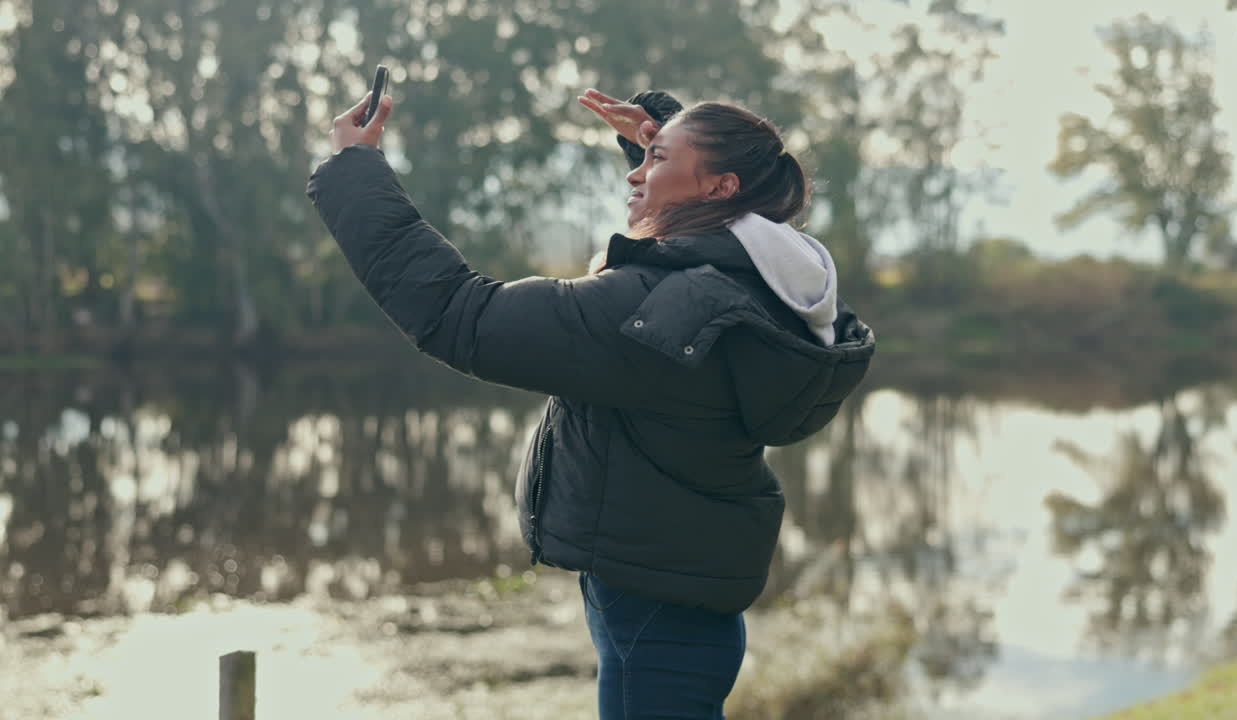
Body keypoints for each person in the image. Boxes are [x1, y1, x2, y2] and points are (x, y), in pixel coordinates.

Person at [308, 84, 874, 720]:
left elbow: (461, 314)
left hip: (655, 614)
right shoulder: (764, 280)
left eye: (656, 159)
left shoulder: (654, 310)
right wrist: (666, 142)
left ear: (722, 187)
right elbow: (716, 225)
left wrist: (354, 170)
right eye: (645, 155)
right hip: (681, 593)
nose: (634, 172)